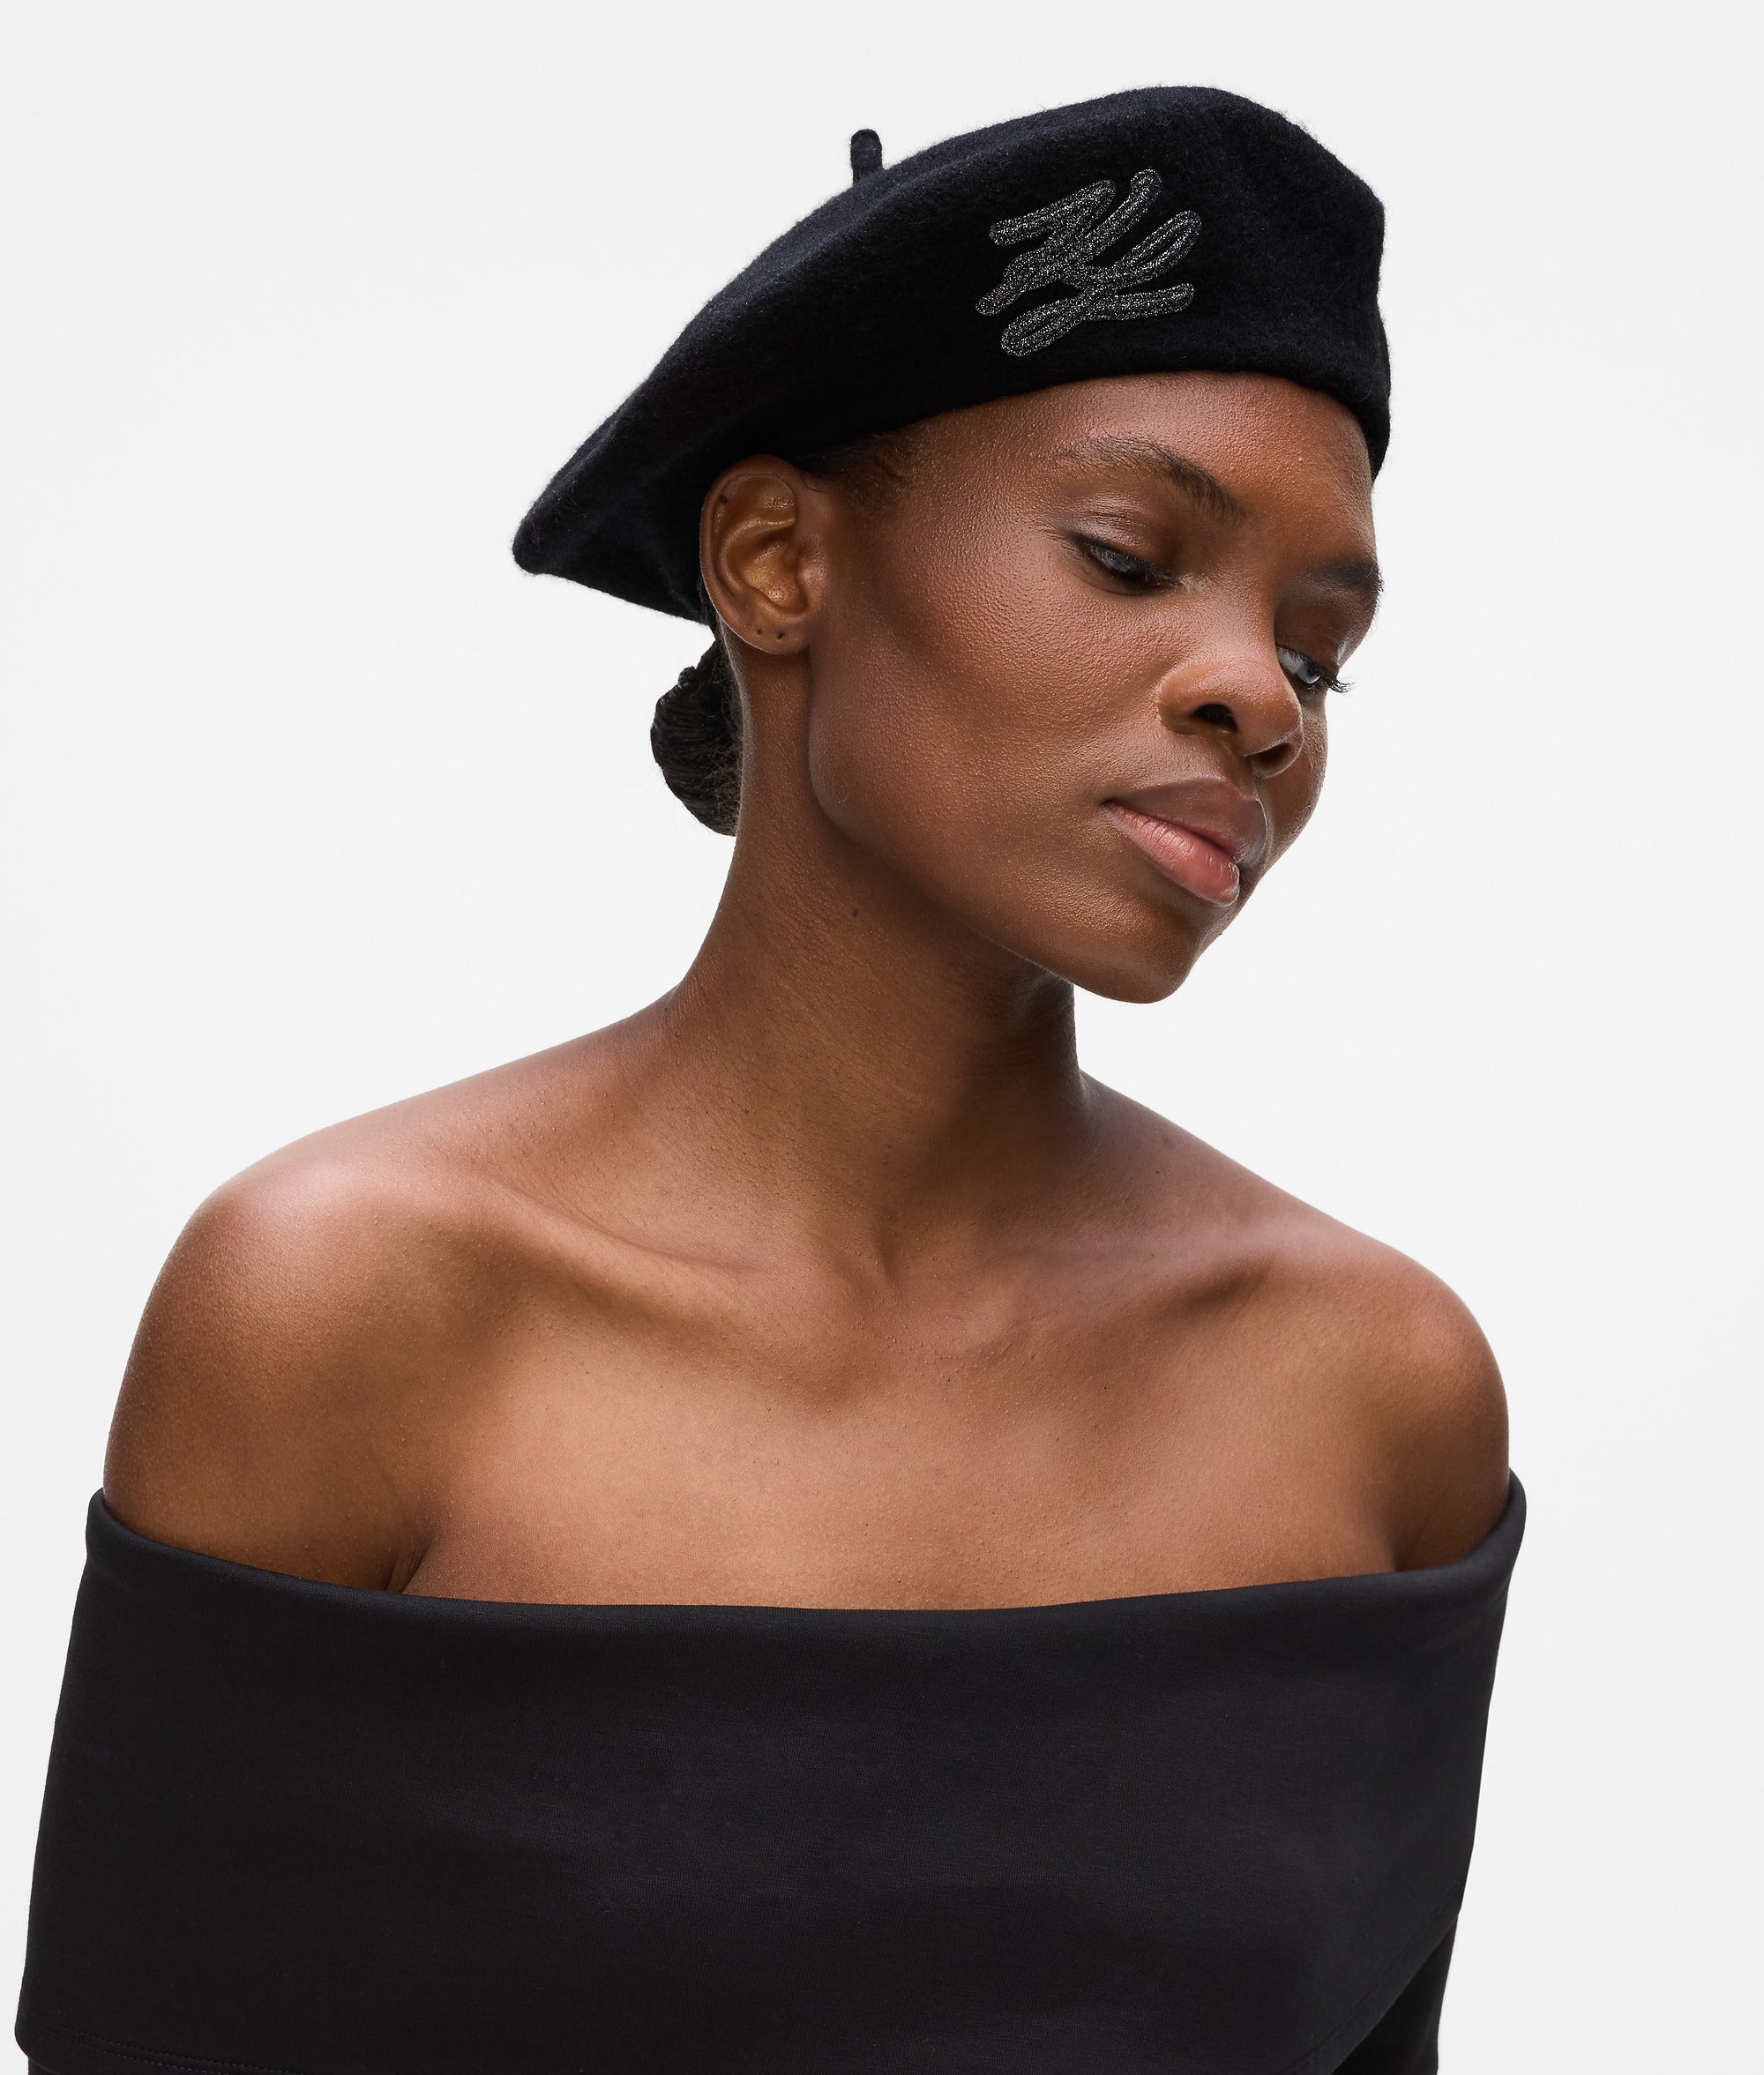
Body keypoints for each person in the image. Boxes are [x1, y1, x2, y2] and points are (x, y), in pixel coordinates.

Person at [18, 86, 1521, 2075]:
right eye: (1127, 554)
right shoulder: (354, 1308)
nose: (1259, 697)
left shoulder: (1376, 1392)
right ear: (774, 560)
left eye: (1318, 657)